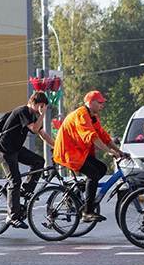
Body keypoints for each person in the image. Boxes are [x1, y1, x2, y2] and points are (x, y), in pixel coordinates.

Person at [53, 90, 128, 222]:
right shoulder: (81, 115)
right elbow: (92, 137)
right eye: (99, 102)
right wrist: (109, 152)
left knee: (102, 169)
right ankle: (87, 212)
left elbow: (103, 136)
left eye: (102, 103)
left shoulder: (93, 116)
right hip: (69, 152)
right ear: (90, 103)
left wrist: (119, 151)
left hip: (79, 153)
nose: (102, 105)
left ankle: (77, 193)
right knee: (93, 174)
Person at [0, 91, 55, 228]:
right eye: (41, 106)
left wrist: (57, 146)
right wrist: (43, 114)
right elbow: (34, 129)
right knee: (15, 180)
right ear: (35, 103)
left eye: (43, 108)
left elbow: (42, 134)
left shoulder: (33, 115)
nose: (41, 110)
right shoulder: (23, 111)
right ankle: (12, 216)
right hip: (4, 150)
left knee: (39, 162)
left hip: (15, 149)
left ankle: (26, 190)